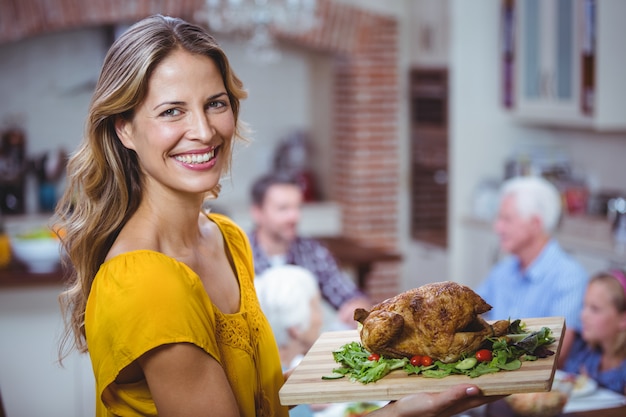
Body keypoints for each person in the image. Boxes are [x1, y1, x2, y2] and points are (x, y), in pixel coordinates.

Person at [54, 14, 501, 417]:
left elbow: (257, 400)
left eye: (216, 103)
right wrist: (408, 413)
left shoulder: (226, 238)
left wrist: (400, 389)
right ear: (125, 128)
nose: (205, 131)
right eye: (172, 111)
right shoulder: (144, 280)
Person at [476, 175, 589, 368]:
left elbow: (555, 354)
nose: (497, 227)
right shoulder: (503, 270)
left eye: (507, 219)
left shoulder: (569, 277)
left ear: (535, 223)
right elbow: (473, 317)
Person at [248, 172, 370, 328]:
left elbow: (347, 295)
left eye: (297, 207)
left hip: (305, 347)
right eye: (283, 208)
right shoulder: (237, 252)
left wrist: (357, 304)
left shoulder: (311, 250)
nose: (294, 216)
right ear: (257, 212)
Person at [254, 265, 324, 417]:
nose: (320, 319)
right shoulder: (282, 388)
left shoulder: (264, 371)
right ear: (295, 328)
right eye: (316, 308)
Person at [563, 270, 626, 395]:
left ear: (623, 320)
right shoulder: (584, 353)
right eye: (584, 306)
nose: (582, 316)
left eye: (595, 309)